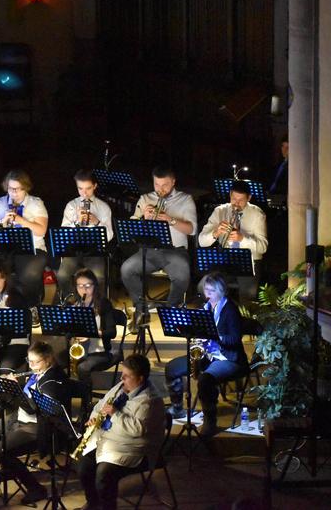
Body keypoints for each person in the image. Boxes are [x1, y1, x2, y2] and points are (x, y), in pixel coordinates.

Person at [0, 341, 75, 504]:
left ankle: (35, 488)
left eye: (35, 362)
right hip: (20, 417)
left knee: (0, 450)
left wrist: (15, 389)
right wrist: (6, 387)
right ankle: (11, 468)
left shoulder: (53, 380)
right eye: (29, 361)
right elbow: (21, 403)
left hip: (39, 426)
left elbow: (34, 408)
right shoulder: (35, 373)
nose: (31, 365)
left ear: (47, 360)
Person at [76, 353, 166, 510]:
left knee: (104, 475)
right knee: (83, 466)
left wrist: (115, 414)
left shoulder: (151, 401)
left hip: (135, 449)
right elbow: (101, 406)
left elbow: (137, 430)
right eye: (122, 375)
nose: (121, 379)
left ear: (140, 378)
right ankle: (93, 503)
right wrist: (95, 417)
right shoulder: (121, 388)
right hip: (110, 442)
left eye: (126, 376)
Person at [164, 272, 248, 436]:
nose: (207, 294)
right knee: (172, 368)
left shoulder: (230, 310)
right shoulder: (206, 308)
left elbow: (235, 339)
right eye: (206, 290)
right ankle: (178, 408)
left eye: (211, 291)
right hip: (208, 354)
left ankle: (210, 421)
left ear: (221, 291)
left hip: (228, 358)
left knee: (205, 380)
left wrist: (214, 336)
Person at [120, 167, 197, 326]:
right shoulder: (145, 198)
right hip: (149, 251)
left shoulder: (185, 199)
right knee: (126, 269)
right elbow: (131, 227)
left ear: (173, 182)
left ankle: (170, 310)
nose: (161, 189)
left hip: (175, 251)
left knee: (183, 276)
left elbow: (192, 229)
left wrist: (171, 220)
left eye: (165, 185)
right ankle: (141, 310)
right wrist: (143, 218)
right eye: (157, 185)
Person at [0, 170, 49, 308]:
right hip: (5, 248)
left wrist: (22, 220)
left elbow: (41, 230)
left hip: (33, 248)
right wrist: (3, 221)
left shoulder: (36, 203)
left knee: (28, 273)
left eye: (17, 189)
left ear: (25, 188)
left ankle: (31, 307)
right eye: (10, 189)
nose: (14, 193)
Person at [198, 180, 268, 304]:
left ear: (249, 198)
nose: (236, 204)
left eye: (241, 200)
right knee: (204, 287)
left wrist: (242, 239)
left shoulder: (257, 214)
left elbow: (263, 247)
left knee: (248, 295)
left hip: (249, 261)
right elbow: (202, 241)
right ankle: (218, 316)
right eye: (234, 199)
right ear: (230, 195)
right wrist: (215, 233)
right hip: (226, 258)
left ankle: (242, 320)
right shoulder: (220, 211)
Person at [57, 169, 114, 299]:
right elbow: (63, 232)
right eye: (80, 189)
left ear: (95, 186)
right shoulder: (71, 205)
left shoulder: (103, 207)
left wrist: (96, 222)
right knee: (62, 275)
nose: (84, 193)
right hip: (73, 250)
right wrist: (76, 222)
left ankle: (96, 306)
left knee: (99, 276)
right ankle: (74, 302)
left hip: (94, 251)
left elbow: (109, 236)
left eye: (88, 188)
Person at [69, 269, 117, 418]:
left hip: (101, 351)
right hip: (80, 348)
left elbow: (112, 332)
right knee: (57, 361)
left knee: (83, 368)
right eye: (80, 286)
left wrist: (93, 333)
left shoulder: (103, 304)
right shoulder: (73, 303)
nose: (84, 289)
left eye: (88, 285)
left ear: (95, 286)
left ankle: (86, 404)